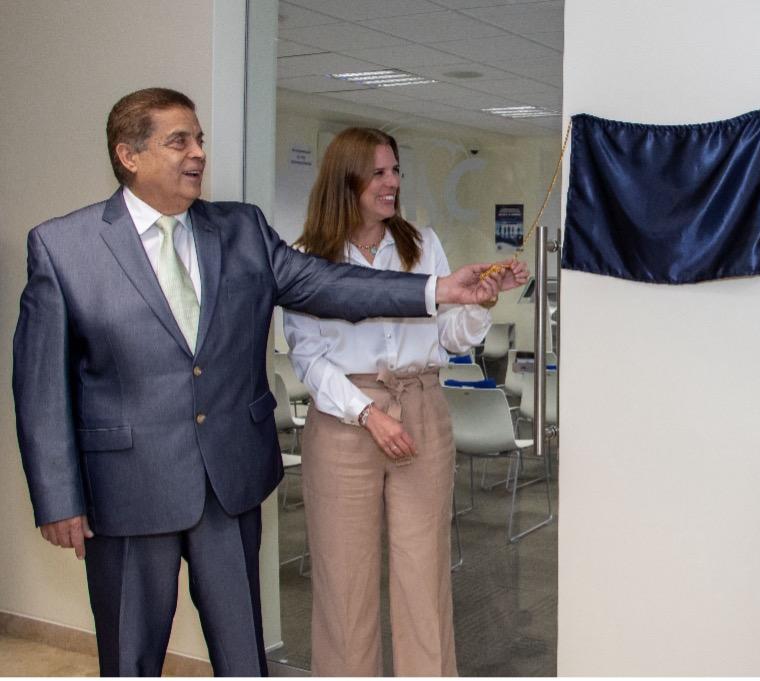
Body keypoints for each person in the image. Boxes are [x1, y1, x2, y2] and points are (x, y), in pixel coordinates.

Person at [11, 88, 518, 676]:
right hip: (127, 488)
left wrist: (435, 290)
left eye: (199, 139)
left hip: (229, 485)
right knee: (130, 656)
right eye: (180, 141)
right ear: (129, 155)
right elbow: (41, 388)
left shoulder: (241, 230)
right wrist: (58, 498)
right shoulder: (63, 247)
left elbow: (333, 286)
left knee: (242, 656)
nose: (198, 152)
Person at [282, 127, 524, 676]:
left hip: (421, 405)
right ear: (346, 180)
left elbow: (448, 336)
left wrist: (481, 303)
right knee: (345, 582)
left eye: (396, 172)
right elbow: (308, 358)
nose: (392, 183)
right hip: (346, 418)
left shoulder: (422, 244)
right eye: (379, 173)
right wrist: (366, 413)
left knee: (424, 573)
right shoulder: (307, 258)